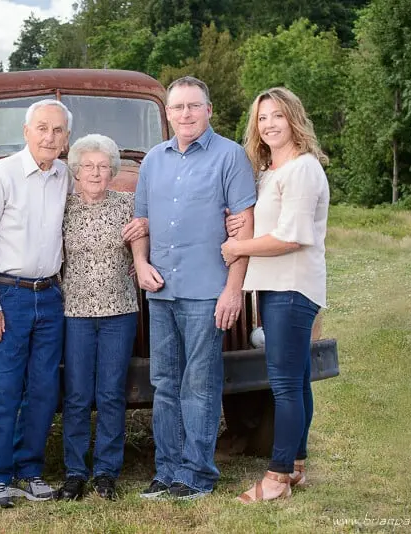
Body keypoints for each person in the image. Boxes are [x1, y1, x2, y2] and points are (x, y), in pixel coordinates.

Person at [131, 76, 256, 501]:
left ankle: (197, 474)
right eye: (178, 107)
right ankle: (167, 471)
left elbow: (244, 228)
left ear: (208, 110)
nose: (185, 114)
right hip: (161, 291)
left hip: (206, 291)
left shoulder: (230, 156)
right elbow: (141, 223)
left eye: (193, 106)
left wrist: (233, 289)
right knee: (164, 383)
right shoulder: (153, 160)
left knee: (199, 383)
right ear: (167, 114)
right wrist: (141, 263)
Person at [220, 87, 329, 503]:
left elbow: (291, 237)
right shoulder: (271, 171)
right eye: (262, 117)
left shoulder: (302, 169)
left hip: (292, 287)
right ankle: (296, 465)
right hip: (278, 286)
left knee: (283, 385)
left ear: (294, 119)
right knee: (297, 380)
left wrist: (237, 248)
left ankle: (277, 477)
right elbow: (267, 222)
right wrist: (239, 228)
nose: (269, 124)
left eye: (277, 116)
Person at [0, 99, 72, 509]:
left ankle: (30, 470)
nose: (49, 137)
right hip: (8, 294)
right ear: (26, 131)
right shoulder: (0, 175)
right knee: (3, 387)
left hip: (50, 295)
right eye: (42, 128)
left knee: (43, 389)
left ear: (66, 138)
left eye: (57, 130)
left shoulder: (64, 176)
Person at [55, 134, 139, 502]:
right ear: (76, 170)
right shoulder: (63, 208)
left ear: (112, 171)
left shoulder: (127, 205)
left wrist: (143, 251)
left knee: (110, 394)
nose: (95, 172)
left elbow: (147, 239)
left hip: (119, 312)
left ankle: (106, 472)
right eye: (88, 166)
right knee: (76, 395)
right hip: (75, 313)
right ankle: (75, 471)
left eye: (103, 166)